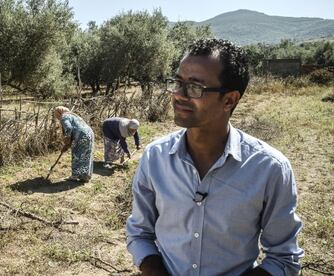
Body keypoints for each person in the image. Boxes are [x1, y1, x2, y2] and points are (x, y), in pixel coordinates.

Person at [126, 39, 304, 276]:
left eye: (195, 87)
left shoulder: (269, 168)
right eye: (177, 82)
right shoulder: (155, 157)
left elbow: (284, 258)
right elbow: (139, 234)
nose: (178, 95)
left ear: (229, 100)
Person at [54, 106, 94, 182]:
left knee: (77, 155)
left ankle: (75, 176)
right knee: (85, 155)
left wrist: (67, 141)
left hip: (81, 136)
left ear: (59, 113)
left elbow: (69, 128)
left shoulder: (64, 116)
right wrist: (67, 145)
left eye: (56, 114)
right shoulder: (72, 115)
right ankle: (85, 176)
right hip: (89, 134)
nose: (56, 117)